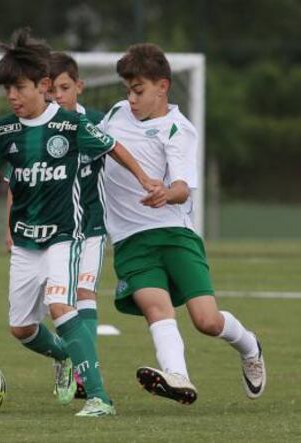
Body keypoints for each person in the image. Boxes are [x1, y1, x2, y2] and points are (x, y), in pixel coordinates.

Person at [0, 29, 163, 417]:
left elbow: (113, 147)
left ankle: (99, 397)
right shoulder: (6, 129)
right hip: (26, 243)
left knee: (61, 303)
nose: (12, 97)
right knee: (21, 329)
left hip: (67, 236)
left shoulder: (71, 126)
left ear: (43, 86)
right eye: (7, 90)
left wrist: (144, 179)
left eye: (19, 87)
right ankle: (65, 356)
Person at [99, 43, 266, 405]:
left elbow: (182, 188)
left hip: (175, 235)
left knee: (206, 321)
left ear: (163, 86)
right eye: (128, 90)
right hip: (130, 239)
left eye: (138, 90)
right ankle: (178, 376)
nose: (131, 99)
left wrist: (165, 193)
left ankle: (250, 346)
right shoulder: (114, 113)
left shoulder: (178, 129)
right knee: (155, 308)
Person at [5, 51, 107, 399]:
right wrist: (8, 227)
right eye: (54, 90)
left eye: (65, 88)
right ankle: (71, 360)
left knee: (81, 294)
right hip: (44, 230)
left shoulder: (93, 121)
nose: (58, 96)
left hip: (89, 227)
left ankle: (87, 380)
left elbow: (119, 157)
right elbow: (18, 180)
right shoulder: (35, 128)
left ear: (78, 86)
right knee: (28, 321)